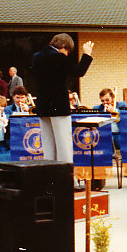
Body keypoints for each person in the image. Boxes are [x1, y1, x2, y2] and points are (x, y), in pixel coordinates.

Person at [31, 33, 94, 163]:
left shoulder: (36, 57)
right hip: (58, 107)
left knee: (48, 148)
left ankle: (50, 178)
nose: (66, 56)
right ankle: (66, 179)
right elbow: (79, 71)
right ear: (64, 46)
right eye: (67, 52)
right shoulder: (57, 57)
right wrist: (87, 54)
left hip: (43, 107)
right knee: (64, 146)